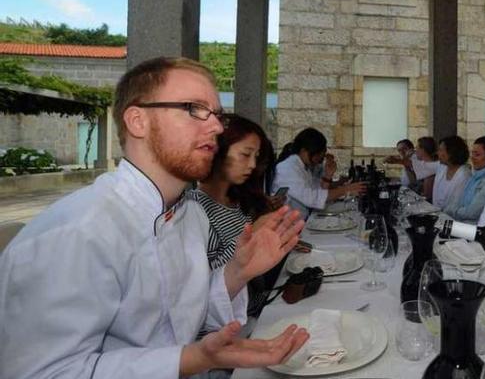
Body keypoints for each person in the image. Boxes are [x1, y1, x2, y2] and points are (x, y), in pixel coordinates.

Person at [0, 57, 309, 378]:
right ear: (137, 121)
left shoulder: (192, 216)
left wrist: (237, 271)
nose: (217, 126)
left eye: (215, 114)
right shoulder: (75, 233)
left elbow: (179, 316)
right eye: (193, 108)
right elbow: (42, 372)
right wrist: (191, 359)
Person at [193, 113, 285, 317]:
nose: (252, 165)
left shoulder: (236, 202)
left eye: (256, 156)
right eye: (246, 154)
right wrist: (252, 237)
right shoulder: (194, 209)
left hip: (257, 307)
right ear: (217, 151)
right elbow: (203, 284)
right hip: (227, 325)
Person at [272, 128, 365, 220]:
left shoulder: (303, 167)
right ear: (304, 150)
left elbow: (319, 190)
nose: (318, 159)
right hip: (289, 224)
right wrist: (345, 190)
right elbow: (312, 199)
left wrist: (328, 175)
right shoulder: (287, 168)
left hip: (301, 220)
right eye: (316, 154)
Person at [446, 136, 485, 222]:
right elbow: (457, 199)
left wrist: (451, 210)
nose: (472, 157)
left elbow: (472, 213)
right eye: (472, 153)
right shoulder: (475, 175)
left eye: (477, 154)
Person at [427, 135, 472, 211]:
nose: (438, 153)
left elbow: (456, 203)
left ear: (451, 152)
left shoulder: (464, 174)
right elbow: (423, 166)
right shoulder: (442, 167)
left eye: (441, 150)